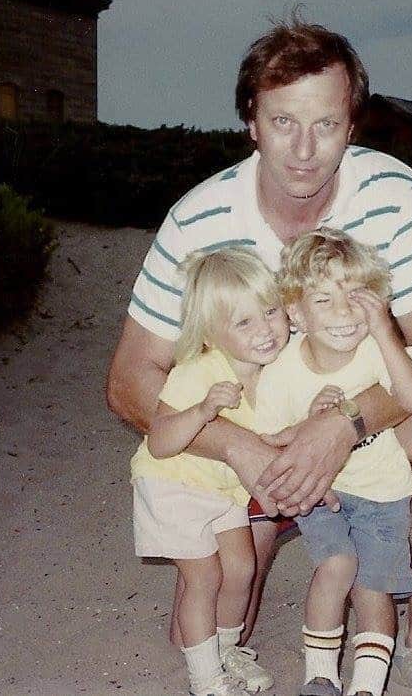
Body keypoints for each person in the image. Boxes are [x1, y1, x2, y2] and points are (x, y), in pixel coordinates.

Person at [107, 17, 412, 695]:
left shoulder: (393, 193)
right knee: (220, 617)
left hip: (362, 426)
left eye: (327, 124)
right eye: (284, 122)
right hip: (255, 436)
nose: (306, 151)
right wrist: (245, 452)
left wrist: (340, 427)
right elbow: (129, 383)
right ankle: (265, 551)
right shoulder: (199, 218)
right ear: (251, 122)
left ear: (354, 124)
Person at [254, 228, 412, 696]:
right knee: (336, 567)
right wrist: (305, 424)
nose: (345, 312)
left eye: (357, 297)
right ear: (296, 313)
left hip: (385, 494)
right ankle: (320, 675)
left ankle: (367, 686)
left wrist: (385, 332)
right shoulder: (282, 372)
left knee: (374, 589)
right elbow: (269, 440)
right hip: (324, 496)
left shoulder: (376, 351)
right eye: (324, 299)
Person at [130, 248, 287, 696]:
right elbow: (160, 441)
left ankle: (225, 650)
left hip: (221, 490)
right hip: (173, 486)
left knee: (240, 567)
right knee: (205, 577)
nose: (265, 330)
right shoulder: (198, 372)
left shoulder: (274, 373)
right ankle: (206, 680)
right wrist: (202, 410)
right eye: (244, 322)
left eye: (271, 312)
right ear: (211, 333)